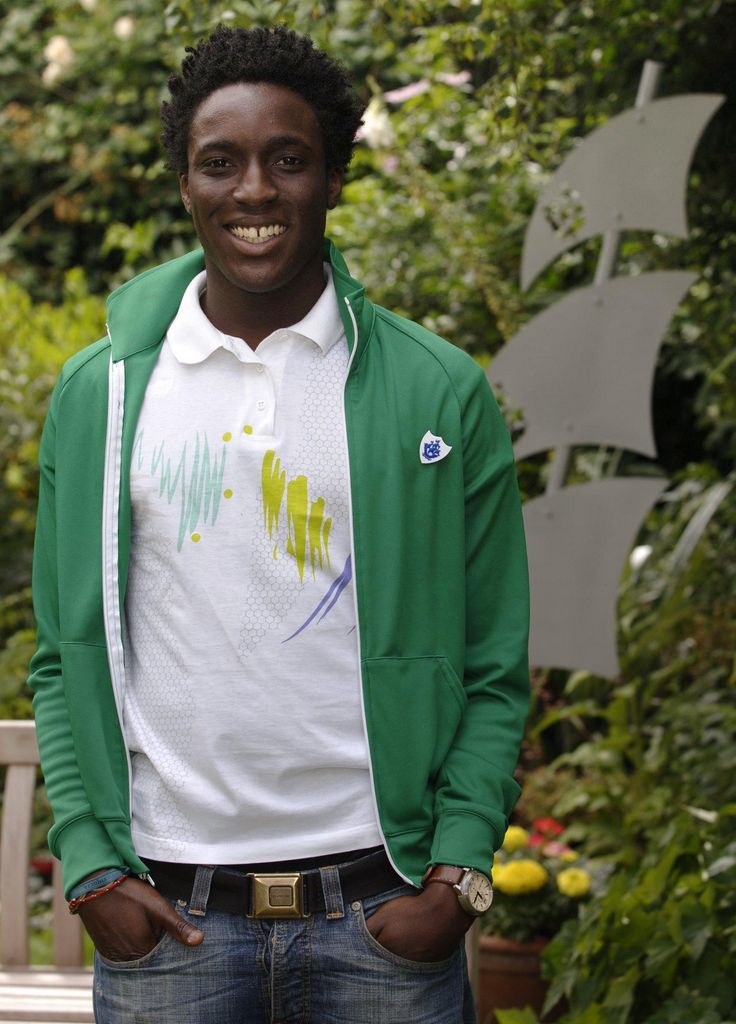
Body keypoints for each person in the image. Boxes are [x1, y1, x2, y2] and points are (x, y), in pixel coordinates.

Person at [28, 24, 530, 1024]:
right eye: (221, 163)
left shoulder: (437, 392)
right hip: (170, 920)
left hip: (382, 918)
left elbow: (492, 661)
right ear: (185, 183)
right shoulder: (105, 395)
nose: (253, 190)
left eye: (287, 160)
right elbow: (62, 652)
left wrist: (457, 875)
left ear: (335, 176)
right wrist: (88, 862)